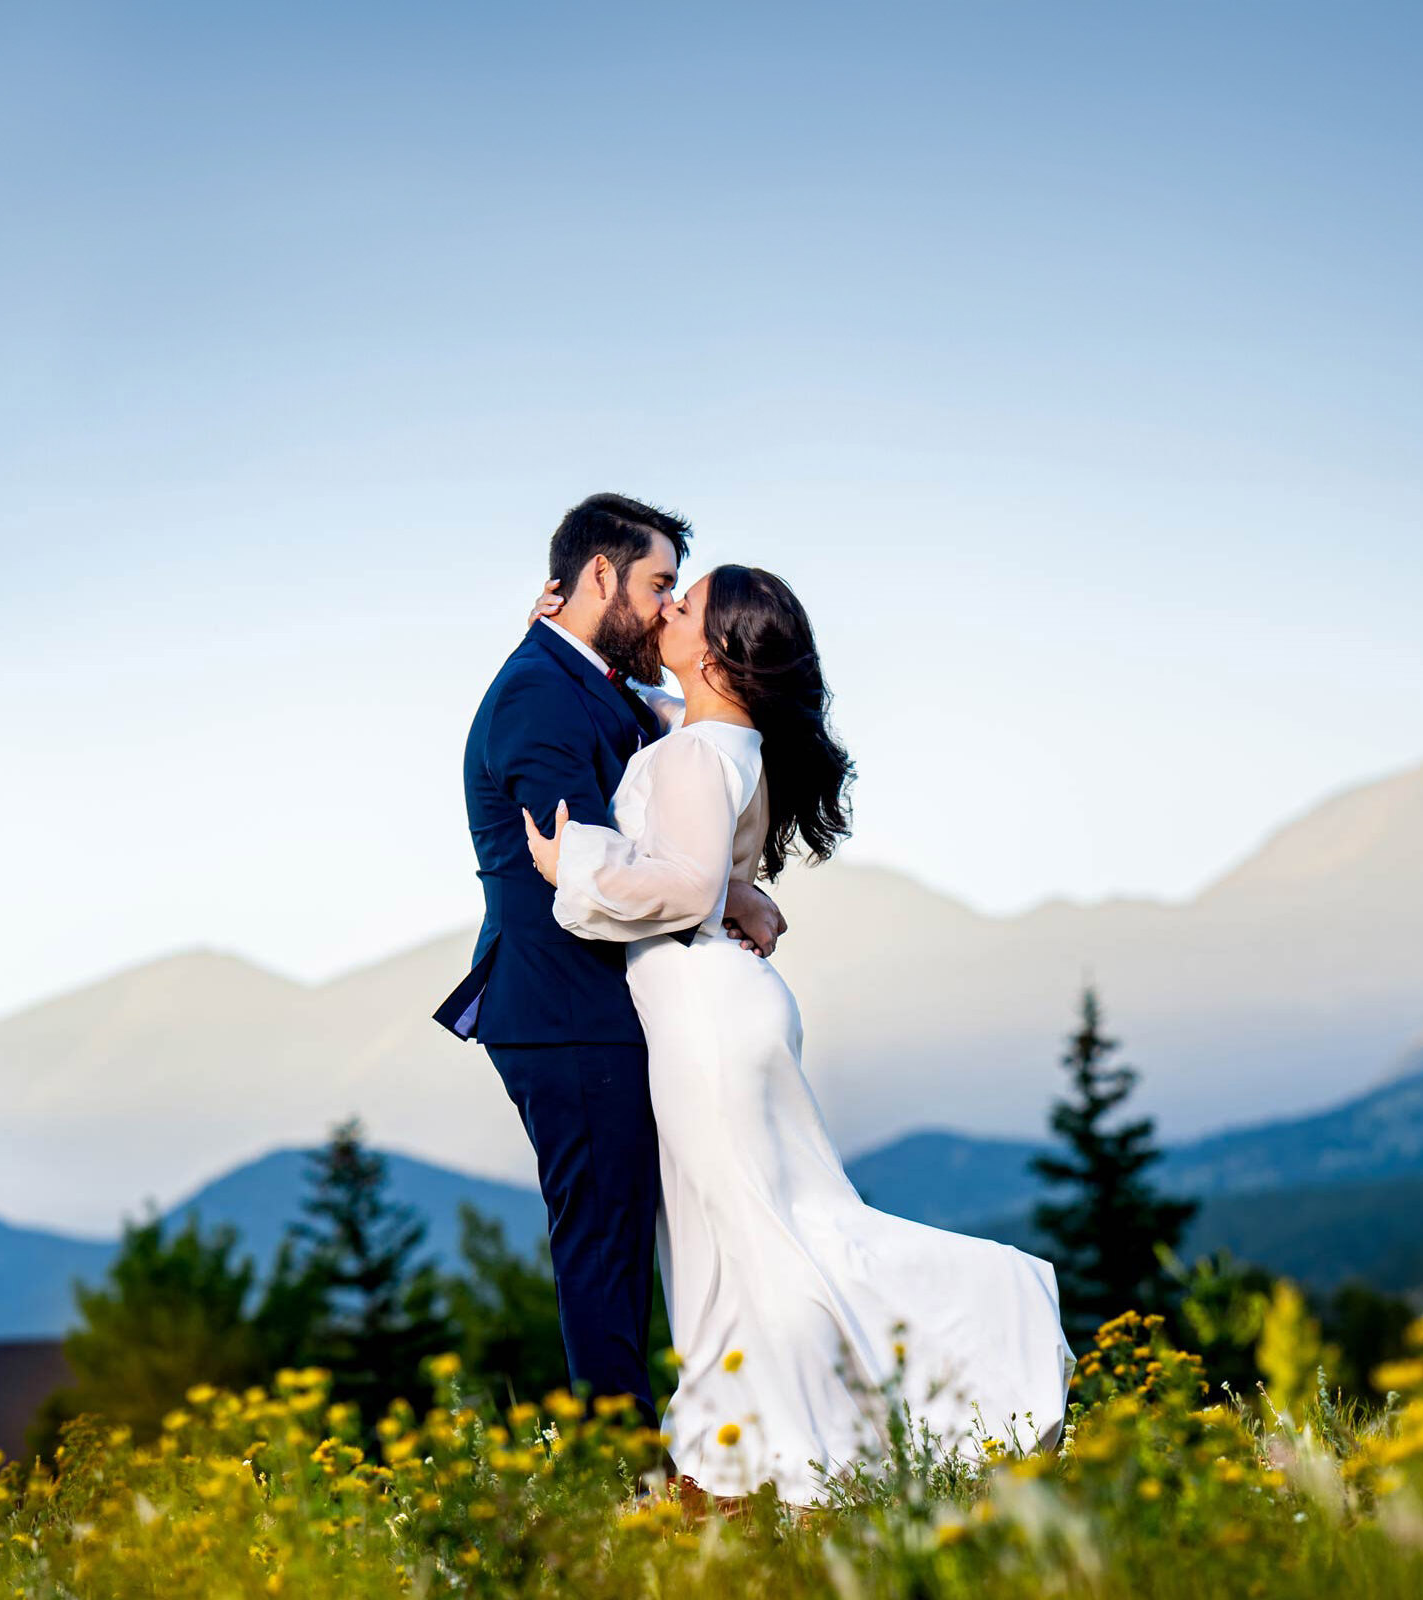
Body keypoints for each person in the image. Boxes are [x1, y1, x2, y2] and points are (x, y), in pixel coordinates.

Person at [521, 562, 1071, 1504]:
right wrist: (568, 631)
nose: (666, 608)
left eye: (683, 605)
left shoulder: (696, 753)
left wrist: (569, 860)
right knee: (736, 1234)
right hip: (728, 1007)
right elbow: (666, 725)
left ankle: (983, 1327)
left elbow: (686, 887)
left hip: (703, 1013)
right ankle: (741, 1456)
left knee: (759, 1233)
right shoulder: (723, 739)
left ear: (723, 657)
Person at [433, 494, 786, 1415]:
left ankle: (669, 1452)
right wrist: (722, 891)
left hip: (600, 1005)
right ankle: (621, 1472)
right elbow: (587, 864)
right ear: (600, 577)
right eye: (660, 585)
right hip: (564, 1011)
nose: (670, 607)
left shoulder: (589, 681)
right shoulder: (537, 695)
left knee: (633, 1238)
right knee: (604, 1244)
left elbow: (670, 777)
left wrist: (722, 883)